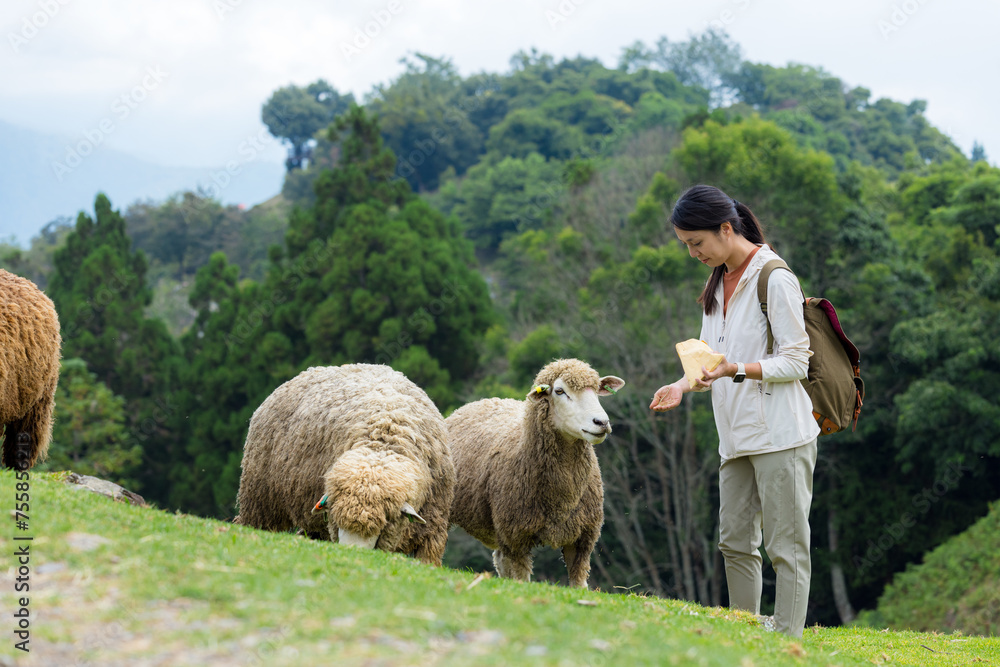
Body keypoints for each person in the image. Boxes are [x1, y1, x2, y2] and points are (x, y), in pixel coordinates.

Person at [649, 184, 820, 638]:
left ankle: (787, 640)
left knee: (787, 547)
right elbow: (712, 356)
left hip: (781, 434)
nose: (692, 254)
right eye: (686, 245)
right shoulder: (718, 280)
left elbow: (797, 360)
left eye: (697, 243)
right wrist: (683, 384)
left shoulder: (773, 276)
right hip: (735, 434)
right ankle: (746, 632)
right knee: (735, 541)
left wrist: (737, 370)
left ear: (726, 229)